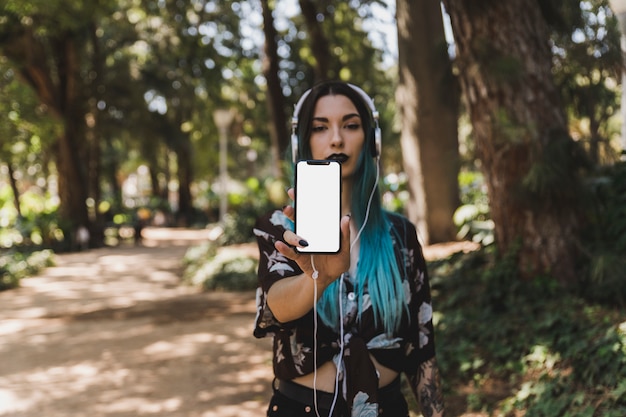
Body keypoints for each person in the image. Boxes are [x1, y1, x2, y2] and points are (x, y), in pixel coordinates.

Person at [253, 80, 445, 417]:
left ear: (372, 140)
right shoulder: (280, 227)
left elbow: (422, 349)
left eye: (351, 125)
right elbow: (277, 307)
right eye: (320, 127)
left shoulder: (400, 234)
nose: (337, 139)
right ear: (303, 143)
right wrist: (317, 279)